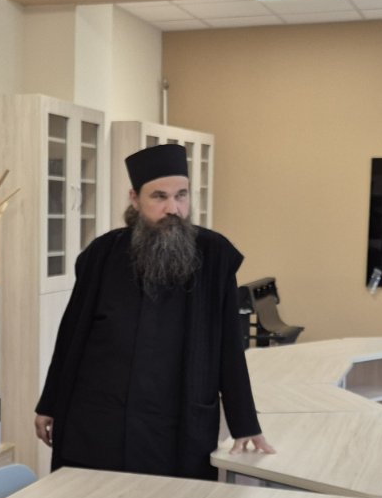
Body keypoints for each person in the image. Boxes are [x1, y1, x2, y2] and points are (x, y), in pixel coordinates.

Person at [35, 142, 272, 478]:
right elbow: (72, 334)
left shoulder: (214, 255)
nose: (173, 208)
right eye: (159, 197)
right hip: (99, 420)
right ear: (135, 199)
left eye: (181, 195)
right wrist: (50, 403)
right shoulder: (102, 254)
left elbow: (229, 347)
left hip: (176, 424)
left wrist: (244, 422)